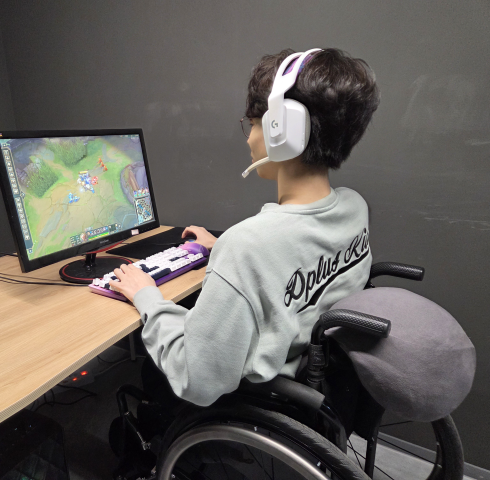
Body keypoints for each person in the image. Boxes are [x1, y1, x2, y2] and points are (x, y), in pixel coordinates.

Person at [109, 48, 380, 407]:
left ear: (282, 130)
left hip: (259, 399)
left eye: (253, 124)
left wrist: (147, 297)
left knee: (150, 374)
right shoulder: (354, 206)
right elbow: (296, 253)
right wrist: (222, 248)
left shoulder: (247, 247)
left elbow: (198, 381)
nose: (249, 138)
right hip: (321, 378)